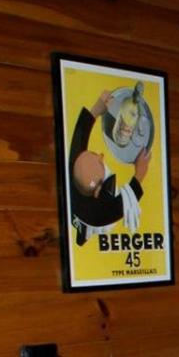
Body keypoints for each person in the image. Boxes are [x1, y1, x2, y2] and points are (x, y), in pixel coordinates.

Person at [68, 88, 151, 245]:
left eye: (94, 154)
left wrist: (95, 110)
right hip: (93, 219)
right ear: (98, 190)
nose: (101, 155)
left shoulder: (77, 170)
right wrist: (140, 173)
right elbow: (121, 205)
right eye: (100, 162)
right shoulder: (100, 214)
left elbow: (78, 142)